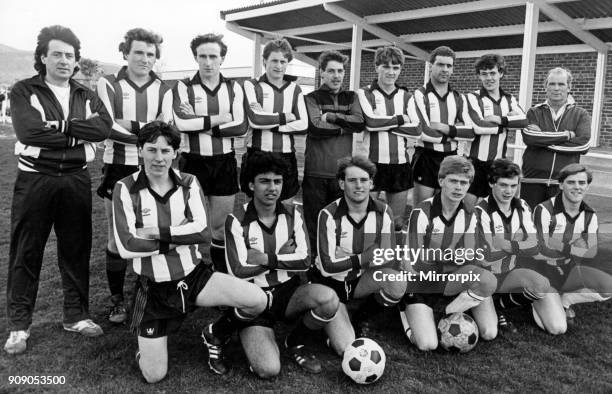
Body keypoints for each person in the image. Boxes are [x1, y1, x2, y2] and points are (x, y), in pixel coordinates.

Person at [112, 121, 267, 383]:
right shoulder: (125, 188)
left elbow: (203, 232)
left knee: (257, 300)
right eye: (151, 150)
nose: (158, 158)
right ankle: (146, 348)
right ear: (140, 151)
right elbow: (127, 247)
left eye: (165, 151)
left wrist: (152, 232)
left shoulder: (189, 182)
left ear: (175, 153)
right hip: (154, 289)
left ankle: (215, 331)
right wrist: (179, 233)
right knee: (154, 375)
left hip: (194, 278)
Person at [5, 25, 111, 355]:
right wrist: (81, 137)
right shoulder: (24, 90)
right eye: (57, 54)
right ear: (43, 57)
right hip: (36, 179)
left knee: (76, 248)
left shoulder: (84, 93)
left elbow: (103, 127)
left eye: (70, 55)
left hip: (76, 180)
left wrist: (63, 127)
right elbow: (29, 132)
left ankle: (76, 316)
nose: (65, 60)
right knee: (27, 250)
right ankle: (19, 326)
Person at [218, 151, 338, 377]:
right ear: (251, 185)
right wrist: (283, 257)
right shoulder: (236, 220)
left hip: (288, 294)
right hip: (254, 300)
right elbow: (239, 272)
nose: (272, 188)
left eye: (277, 181)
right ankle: (252, 334)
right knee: (269, 370)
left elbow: (304, 261)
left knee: (329, 300)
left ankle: (295, 342)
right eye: (264, 181)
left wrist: (267, 258)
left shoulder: (294, 214)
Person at [96, 27, 172, 324]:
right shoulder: (109, 82)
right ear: (125, 53)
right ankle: (116, 301)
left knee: (150, 231)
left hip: (152, 168)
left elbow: (165, 130)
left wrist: (129, 123)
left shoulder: (164, 88)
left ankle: (147, 291)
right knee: (117, 238)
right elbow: (106, 126)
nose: (144, 58)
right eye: (138, 52)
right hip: (116, 167)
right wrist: (148, 130)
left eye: (150, 54)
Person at [399, 156, 498, 351]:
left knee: (489, 332)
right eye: (453, 181)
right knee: (428, 344)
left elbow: (472, 257)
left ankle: (446, 311)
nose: (458, 188)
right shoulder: (422, 212)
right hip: (422, 283)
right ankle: (405, 311)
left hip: (450, 279)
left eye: (464, 183)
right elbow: (412, 264)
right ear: (441, 181)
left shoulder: (471, 215)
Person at [310, 156, 406, 355]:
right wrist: (367, 255)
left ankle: (362, 317)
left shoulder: (383, 211)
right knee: (345, 347)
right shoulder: (328, 215)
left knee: (396, 281)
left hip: (360, 279)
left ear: (372, 183)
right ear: (342, 183)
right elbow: (328, 268)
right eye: (352, 180)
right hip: (331, 285)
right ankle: (329, 320)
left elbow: (388, 256)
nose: (359, 185)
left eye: (364, 180)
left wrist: (348, 257)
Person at [172, 33, 247, 274]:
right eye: (202, 56)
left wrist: (199, 121)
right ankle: (189, 275)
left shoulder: (234, 86)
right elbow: (182, 123)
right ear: (195, 57)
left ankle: (220, 274)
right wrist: (222, 119)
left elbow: (241, 126)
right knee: (187, 222)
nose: (208, 62)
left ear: (222, 58)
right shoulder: (184, 86)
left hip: (224, 161)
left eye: (213, 56)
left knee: (219, 227)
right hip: (192, 162)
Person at [474, 159, 565, 335]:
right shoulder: (480, 211)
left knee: (558, 327)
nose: (509, 191)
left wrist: (505, 243)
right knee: (489, 332)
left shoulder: (522, 206)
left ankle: (501, 306)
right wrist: (520, 242)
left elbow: (535, 247)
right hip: (484, 276)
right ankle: (486, 304)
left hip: (511, 272)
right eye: (503, 185)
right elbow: (487, 256)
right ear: (492, 183)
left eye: (513, 185)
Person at [532, 163, 611, 324]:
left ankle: (565, 300)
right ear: (561, 185)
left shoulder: (590, 215)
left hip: (568, 269)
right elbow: (541, 249)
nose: (577, 187)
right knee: (557, 327)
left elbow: (591, 253)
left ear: (587, 186)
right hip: (543, 273)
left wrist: (560, 244)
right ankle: (537, 300)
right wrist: (577, 245)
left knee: (608, 287)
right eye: (571, 182)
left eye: (582, 183)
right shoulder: (544, 210)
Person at [303, 50, 365, 253]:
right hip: (316, 172)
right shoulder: (311, 98)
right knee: (315, 224)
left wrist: (330, 117)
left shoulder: (351, 96)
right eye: (331, 71)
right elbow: (315, 127)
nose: (336, 75)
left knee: (339, 225)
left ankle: (336, 265)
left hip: (342, 174)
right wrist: (344, 126)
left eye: (340, 71)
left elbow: (360, 123)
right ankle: (314, 266)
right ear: (322, 73)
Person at [357, 46, 420, 229]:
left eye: (396, 67)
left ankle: (390, 257)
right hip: (371, 164)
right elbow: (370, 122)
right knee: (365, 219)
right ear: (377, 67)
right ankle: (365, 257)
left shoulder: (407, 96)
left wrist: (384, 125)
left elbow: (417, 129)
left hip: (399, 165)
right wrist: (401, 119)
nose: (391, 72)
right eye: (386, 66)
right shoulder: (365, 93)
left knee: (396, 222)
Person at [241, 38, 307, 202]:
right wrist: (287, 117)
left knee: (285, 206)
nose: (279, 66)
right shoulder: (251, 85)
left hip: (285, 155)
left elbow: (303, 124)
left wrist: (273, 124)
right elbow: (255, 119)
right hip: (257, 152)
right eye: (274, 61)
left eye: (283, 61)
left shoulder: (294, 88)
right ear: (264, 61)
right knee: (256, 206)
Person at [408, 46, 474, 205]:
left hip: (451, 158)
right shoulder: (420, 94)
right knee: (423, 209)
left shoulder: (458, 97)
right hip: (426, 157)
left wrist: (443, 128)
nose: (445, 69)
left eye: (449, 66)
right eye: (440, 64)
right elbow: (425, 132)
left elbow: (471, 132)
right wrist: (455, 132)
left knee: (447, 209)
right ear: (431, 66)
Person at [521, 67, 591, 208]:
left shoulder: (581, 114)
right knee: (531, 225)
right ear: (545, 86)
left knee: (558, 226)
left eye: (561, 84)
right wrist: (567, 135)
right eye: (552, 84)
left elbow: (583, 145)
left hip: (564, 182)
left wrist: (542, 139)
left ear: (569, 87)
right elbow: (529, 138)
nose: (556, 88)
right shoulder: (534, 112)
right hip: (532, 180)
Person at [464, 54, 527, 208]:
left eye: (492, 73)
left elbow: (524, 121)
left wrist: (498, 119)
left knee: (494, 210)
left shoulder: (509, 99)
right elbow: (478, 126)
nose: (489, 78)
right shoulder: (473, 97)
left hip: (498, 164)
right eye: (484, 74)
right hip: (475, 162)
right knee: (466, 211)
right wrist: (508, 121)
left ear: (501, 73)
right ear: (479, 76)